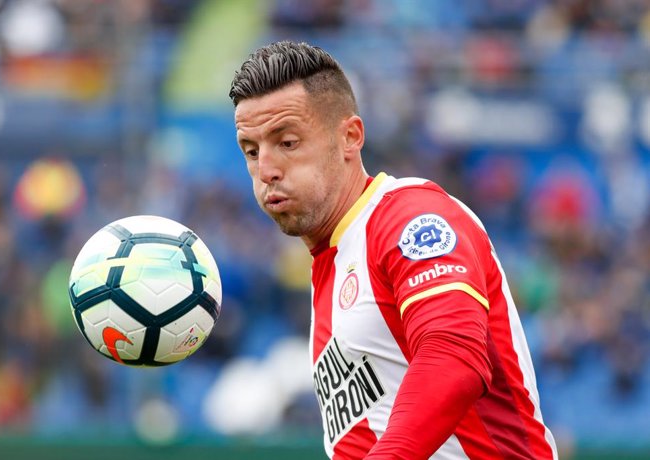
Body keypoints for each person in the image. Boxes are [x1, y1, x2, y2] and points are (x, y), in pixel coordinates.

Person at [229, 40, 558, 460]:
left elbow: (453, 356)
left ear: (350, 136)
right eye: (252, 151)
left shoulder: (409, 216)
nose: (267, 170)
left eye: (288, 142)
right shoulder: (330, 266)